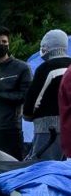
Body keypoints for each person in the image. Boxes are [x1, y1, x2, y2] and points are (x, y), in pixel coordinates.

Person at [26, 29, 69, 161]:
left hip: (47, 129)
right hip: (68, 127)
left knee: (42, 167)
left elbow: (33, 98)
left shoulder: (45, 68)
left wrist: (27, 114)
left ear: (46, 47)